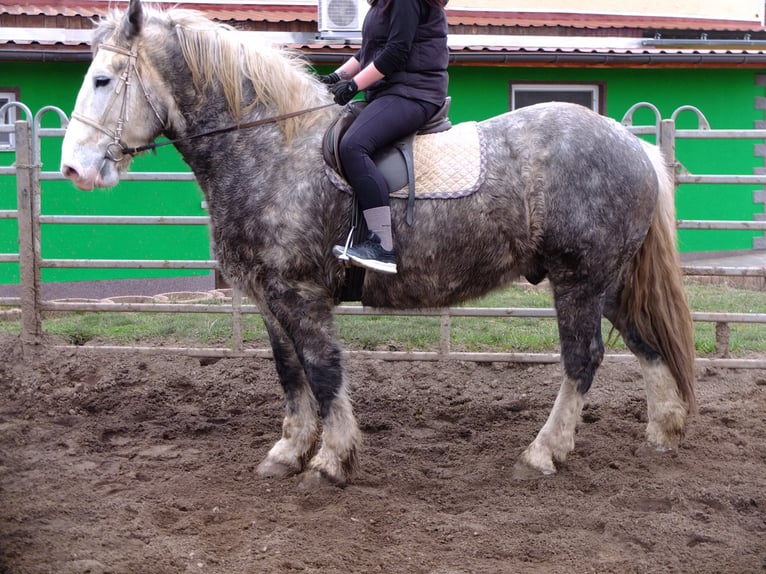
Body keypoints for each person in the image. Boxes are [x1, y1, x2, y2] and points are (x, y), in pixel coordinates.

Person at [320, 0, 449, 274]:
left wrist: (353, 86)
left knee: (353, 146)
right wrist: (335, 77)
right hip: (390, 91)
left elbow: (395, 53)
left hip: (414, 92)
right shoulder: (382, 4)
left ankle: (382, 246)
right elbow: (369, 52)